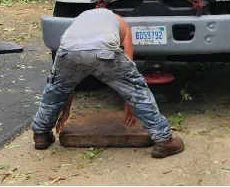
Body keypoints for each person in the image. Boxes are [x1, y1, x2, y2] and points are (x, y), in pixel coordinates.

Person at [31, 8, 185, 158]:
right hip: (104, 50)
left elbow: (65, 86)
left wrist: (66, 112)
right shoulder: (119, 21)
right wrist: (129, 98)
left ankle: (41, 134)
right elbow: (128, 62)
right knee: (137, 89)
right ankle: (164, 140)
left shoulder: (81, 20)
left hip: (68, 51)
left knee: (55, 89)